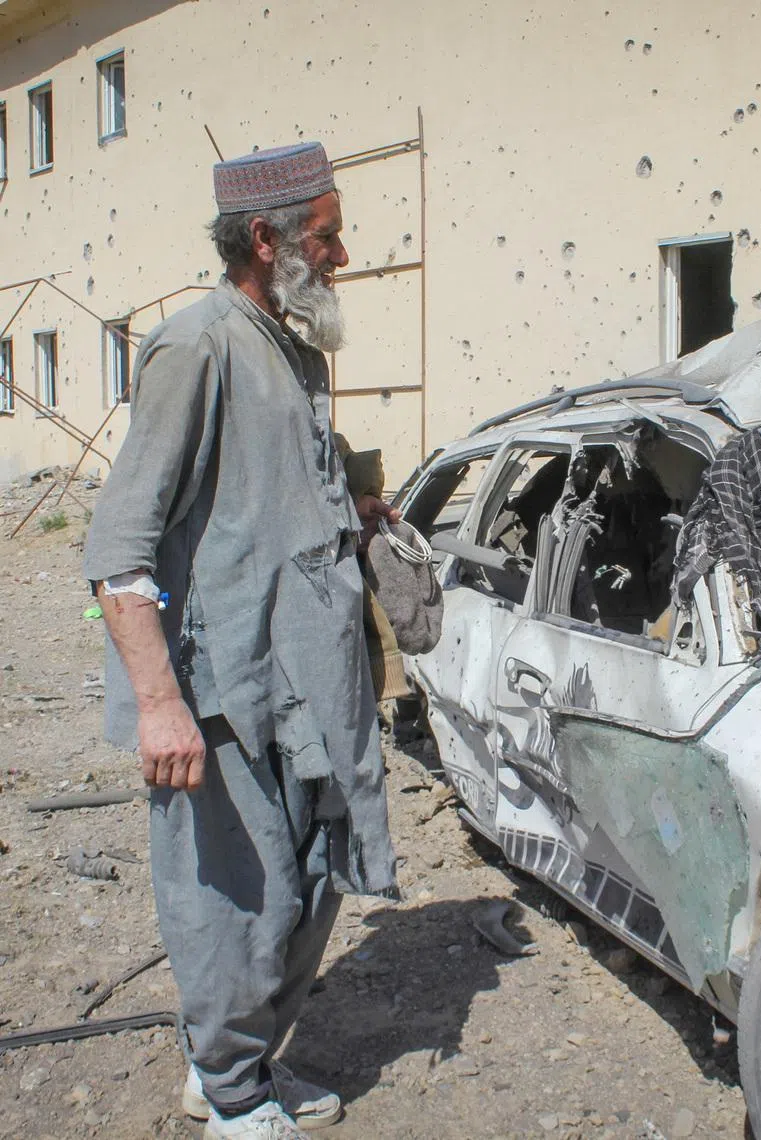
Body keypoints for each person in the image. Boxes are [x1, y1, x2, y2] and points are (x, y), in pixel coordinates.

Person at [83, 141, 399, 1139]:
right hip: (222, 688)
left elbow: (274, 479)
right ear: (265, 239)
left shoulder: (296, 342)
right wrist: (160, 702)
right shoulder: (197, 346)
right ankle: (227, 1096)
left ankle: (245, 1065)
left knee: (312, 881)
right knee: (232, 898)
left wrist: (351, 497)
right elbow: (120, 548)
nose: (344, 252)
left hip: (310, 675)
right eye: (328, 234)